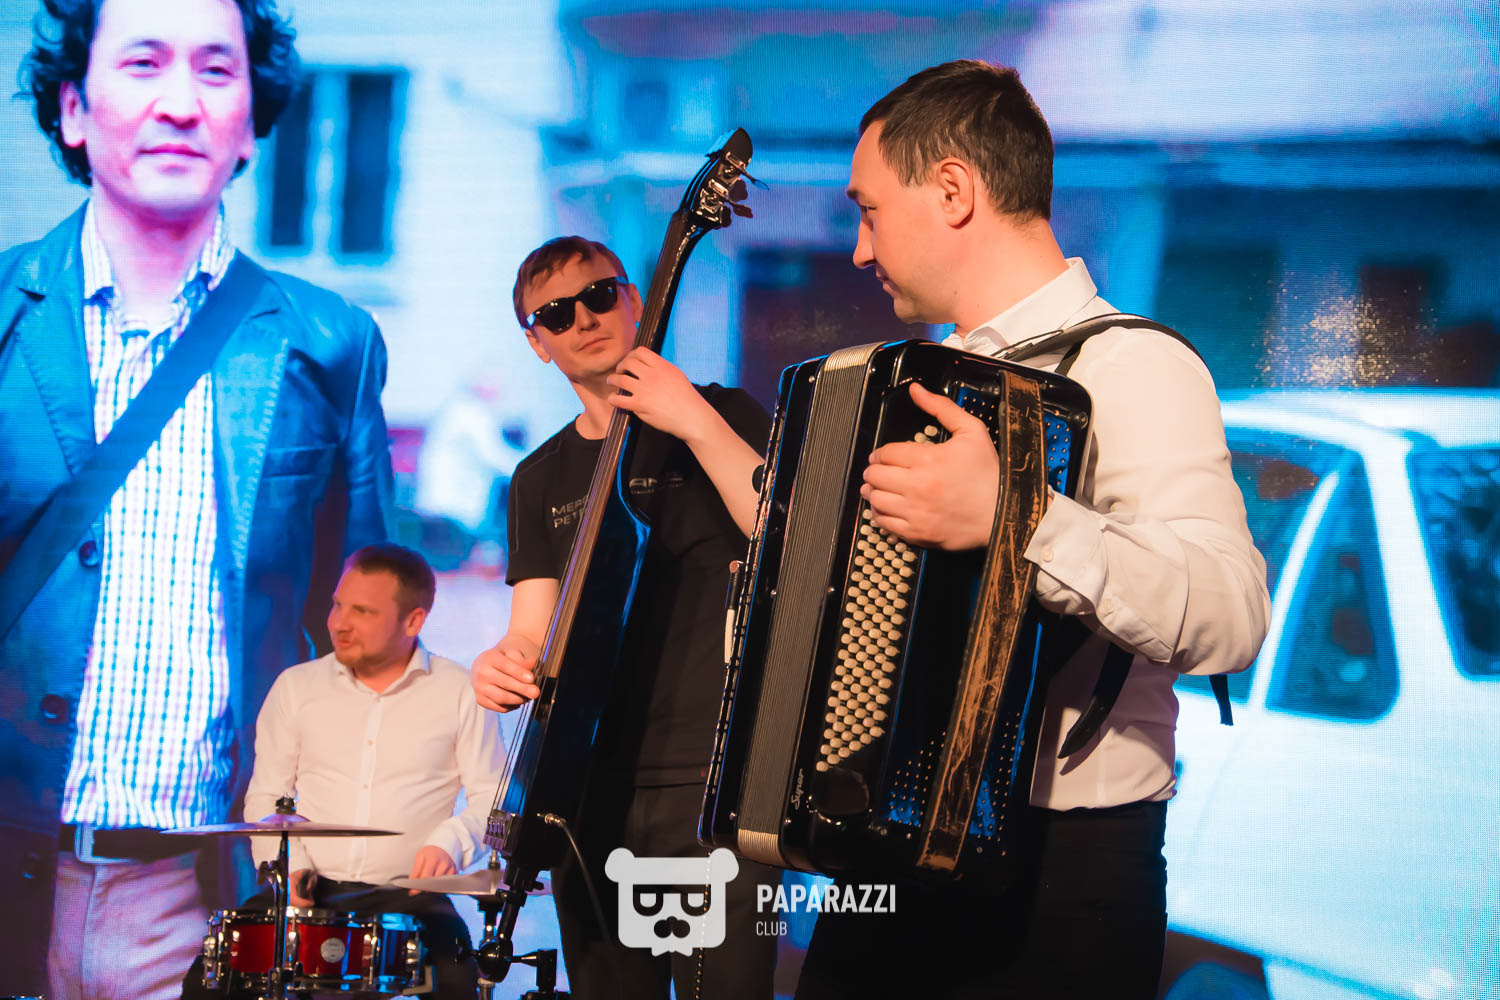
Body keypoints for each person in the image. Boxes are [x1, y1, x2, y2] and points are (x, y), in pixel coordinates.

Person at [794, 60, 1271, 999]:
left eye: (869, 212)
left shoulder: (1132, 364)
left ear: (953, 190)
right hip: (888, 861)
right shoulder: (918, 382)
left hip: (1059, 881)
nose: (858, 249)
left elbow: (1231, 615)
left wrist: (1014, 522)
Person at [0, 0, 394, 995]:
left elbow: (368, 645)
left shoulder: (329, 344)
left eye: (216, 71)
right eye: (143, 64)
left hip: (207, 907)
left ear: (251, 120)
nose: (180, 102)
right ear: (73, 107)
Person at [469, 236, 779, 999]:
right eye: (555, 314)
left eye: (599, 295)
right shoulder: (538, 477)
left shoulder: (724, 413)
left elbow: (786, 536)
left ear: (634, 299)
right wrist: (500, 663)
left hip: (712, 782)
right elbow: (532, 631)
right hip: (587, 794)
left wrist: (693, 419)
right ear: (537, 343)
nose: (582, 319)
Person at [179, 544, 501, 998]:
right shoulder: (296, 687)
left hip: (408, 895)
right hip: (308, 887)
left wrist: (449, 842)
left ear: (413, 621)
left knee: (454, 971)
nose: (339, 623)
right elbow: (266, 796)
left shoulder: (461, 691)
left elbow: (492, 801)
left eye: (362, 611)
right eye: (337, 605)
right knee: (210, 978)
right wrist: (290, 869)